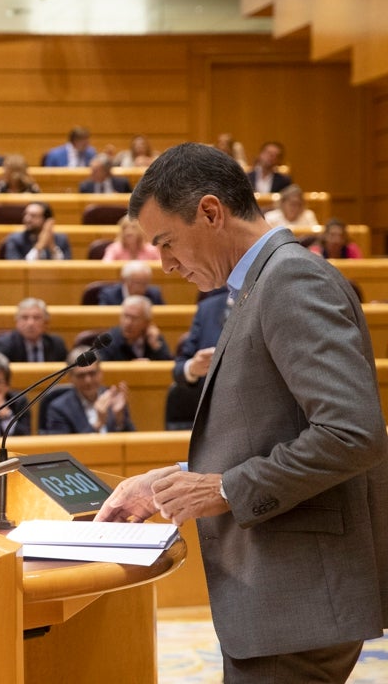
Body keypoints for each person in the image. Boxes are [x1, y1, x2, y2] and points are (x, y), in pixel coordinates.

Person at [96, 141, 387, 680]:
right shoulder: (260, 284)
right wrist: (173, 481)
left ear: (210, 212)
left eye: (166, 242)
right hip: (285, 600)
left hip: (295, 599)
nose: (164, 263)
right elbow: (270, 428)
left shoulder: (290, 280)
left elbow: (353, 433)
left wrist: (224, 489)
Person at [167, 287, 231, 430]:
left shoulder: (263, 302)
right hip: (207, 417)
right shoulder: (207, 308)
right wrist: (193, 368)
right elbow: (179, 367)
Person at [44, 347, 134, 433]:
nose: (88, 381)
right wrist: (98, 424)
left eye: (92, 373)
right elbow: (61, 447)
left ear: (100, 373)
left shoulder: (114, 399)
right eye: (81, 375)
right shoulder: (59, 408)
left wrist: (119, 420)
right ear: (70, 378)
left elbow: (133, 444)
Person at [95, 295, 172, 361]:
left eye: (134, 318)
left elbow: (168, 369)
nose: (128, 323)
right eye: (125, 316)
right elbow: (104, 372)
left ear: (147, 322)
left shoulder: (153, 337)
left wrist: (155, 346)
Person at [0, 297, 68, 364]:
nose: (30, 323)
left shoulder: (56, 344)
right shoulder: (5, 345)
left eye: (36, 317)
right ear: (17, 322)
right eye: (25, 317)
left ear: (45, 322)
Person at [1, 201, 72, 260]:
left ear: (47, 221)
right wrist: (39, 247)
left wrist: (52, 248)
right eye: (26, 214)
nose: (27, 219)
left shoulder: (61, 240)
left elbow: (66, 270)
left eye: (33, 216)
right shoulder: (14, 240)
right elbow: (18, 271)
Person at [96, 260, 165, 305]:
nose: (141, 288)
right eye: (138, 283)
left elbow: (163, 319)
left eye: (145, 283)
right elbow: (103, 321)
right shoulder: (109, 296)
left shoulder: (154, 294)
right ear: (125, 280)